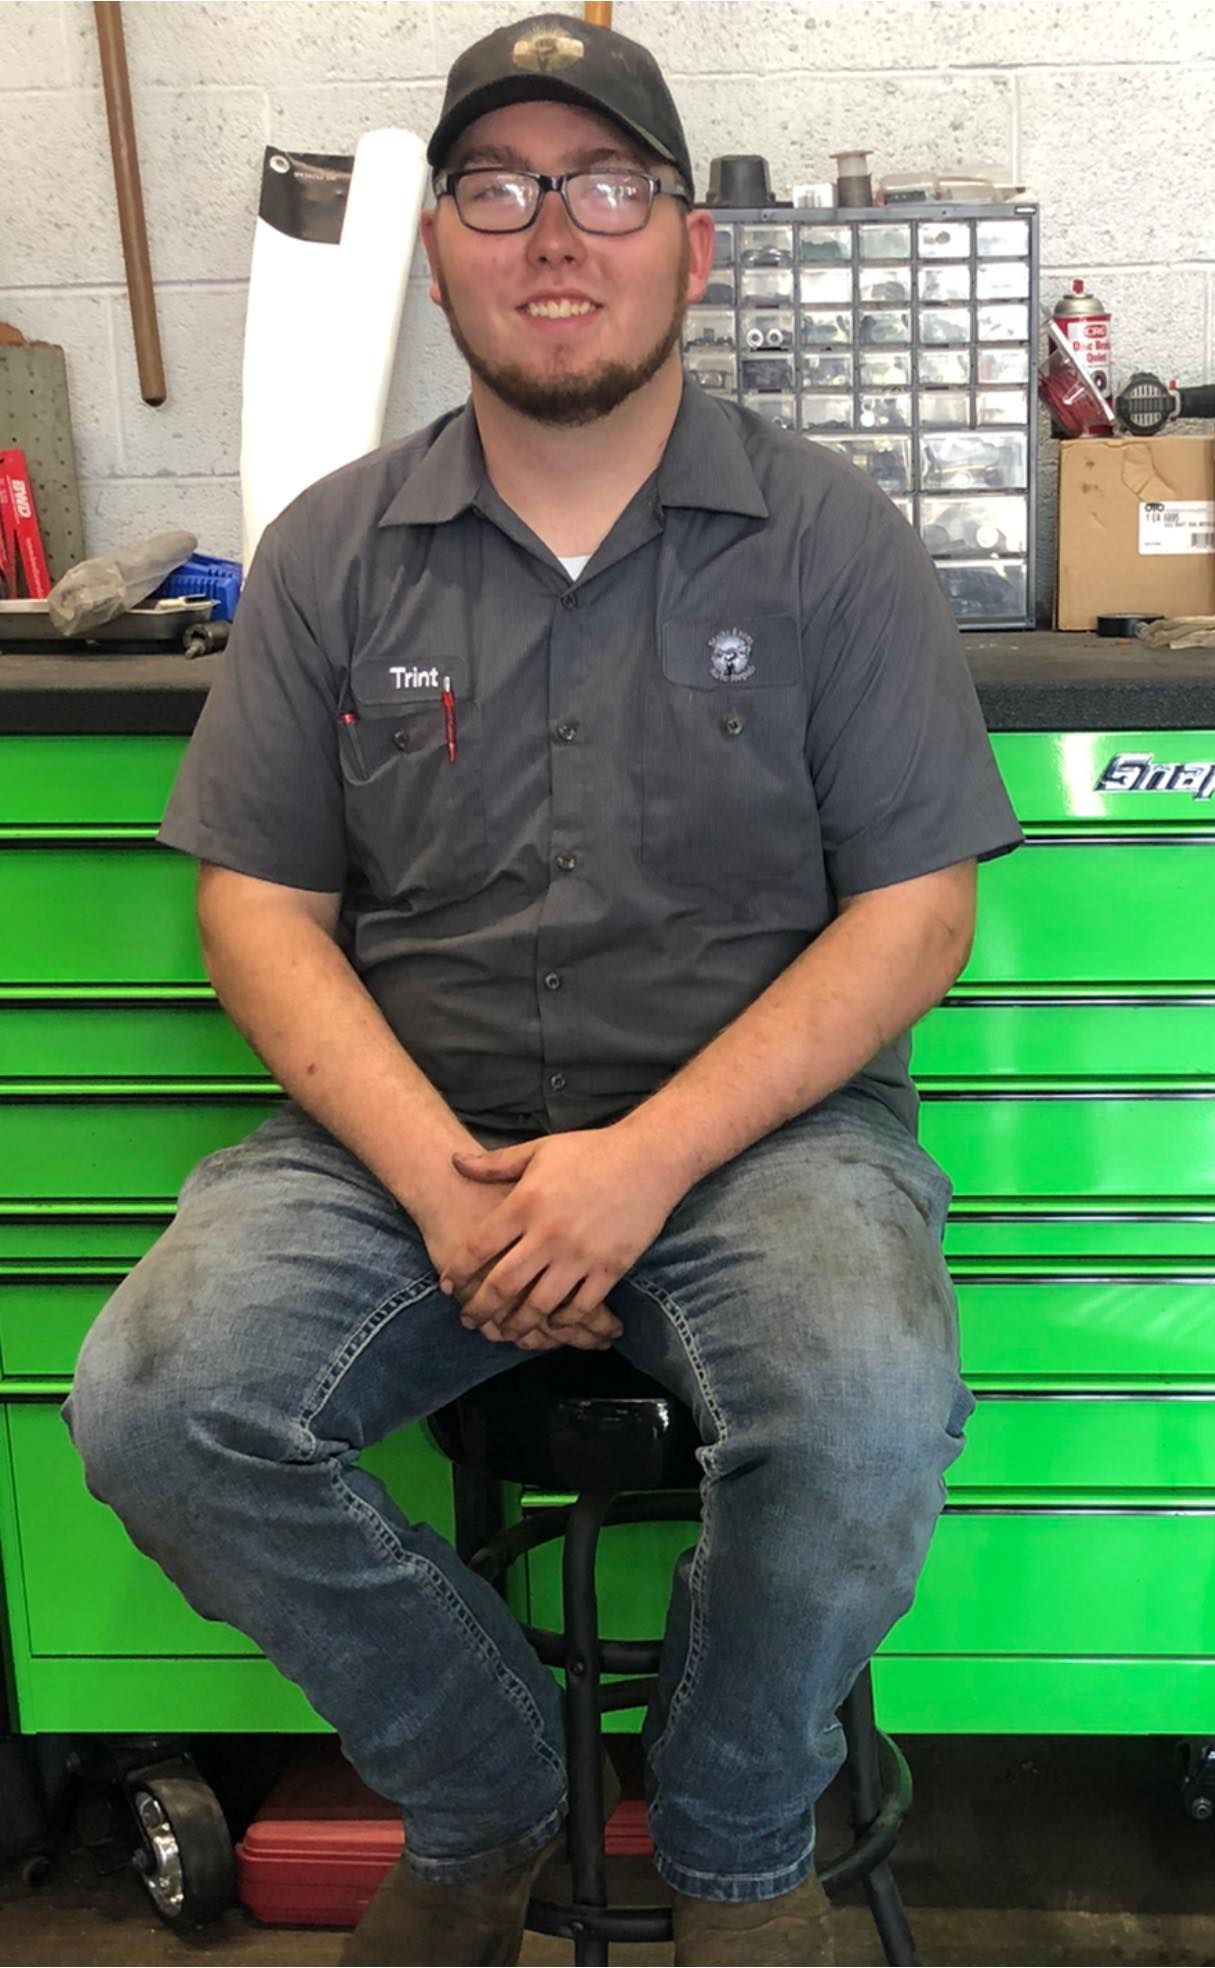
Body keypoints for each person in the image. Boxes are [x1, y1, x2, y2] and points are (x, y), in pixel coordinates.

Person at [63, 12, 1023, 1964]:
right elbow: (258, 911)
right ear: (438, 252)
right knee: (161, 1407)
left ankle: (737, 1842)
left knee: (860, 1406)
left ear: (693, 244)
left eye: (607, 185)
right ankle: (492, 1786)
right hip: (401, 1141)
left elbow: (914, 917)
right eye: (496, 189)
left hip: (760, 1145)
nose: (554, 232)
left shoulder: (832, 543)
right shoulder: (334, 552)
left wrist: (640, 1164)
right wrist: (442, 1181)